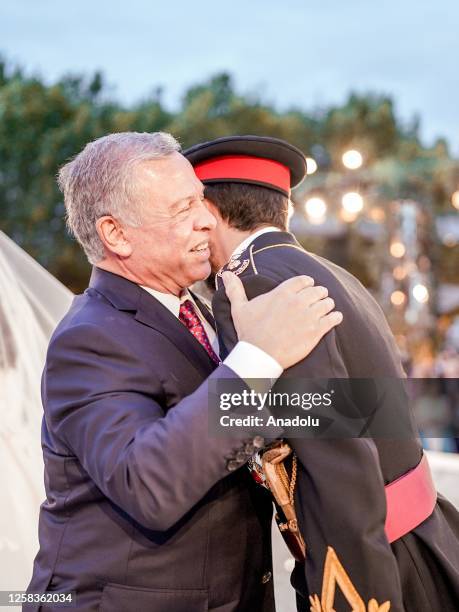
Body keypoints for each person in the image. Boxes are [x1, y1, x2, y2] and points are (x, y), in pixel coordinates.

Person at [26, 132, 342, 612]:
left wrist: (371, 410)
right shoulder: (87, 339)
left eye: (200, 199)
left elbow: (249, 419)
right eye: (182, 209)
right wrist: (259, 357)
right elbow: (147, 482)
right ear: (116, 234)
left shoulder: (199, 307)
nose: (205, 219)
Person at [184, 134, 459, 612]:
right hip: (418, 537)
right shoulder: (327, 271)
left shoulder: (251, 284)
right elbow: (347, 413)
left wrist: (352, 594)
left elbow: (334, 452)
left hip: (371, 559)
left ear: (208, 212)